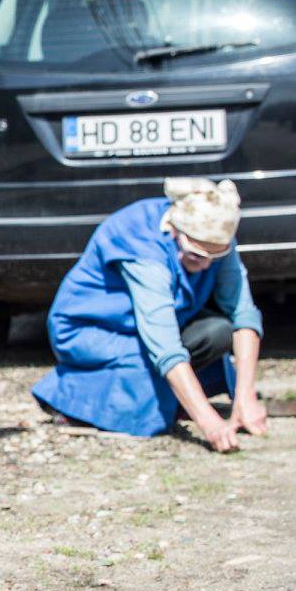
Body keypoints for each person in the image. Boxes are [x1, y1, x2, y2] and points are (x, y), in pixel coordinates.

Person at [32, 179, 268, 452]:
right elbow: (164, 345)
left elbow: (243, 314)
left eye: (213, 259)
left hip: (154, 323)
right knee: (148, 377)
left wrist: (245, 397)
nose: (205, 266)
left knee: (216, 331)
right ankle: (68, 400)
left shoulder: (215, 232)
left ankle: (171, 397)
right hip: (89, 331)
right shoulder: (142, 245)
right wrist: (210, 423)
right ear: (175, 231)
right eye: (195, 257)